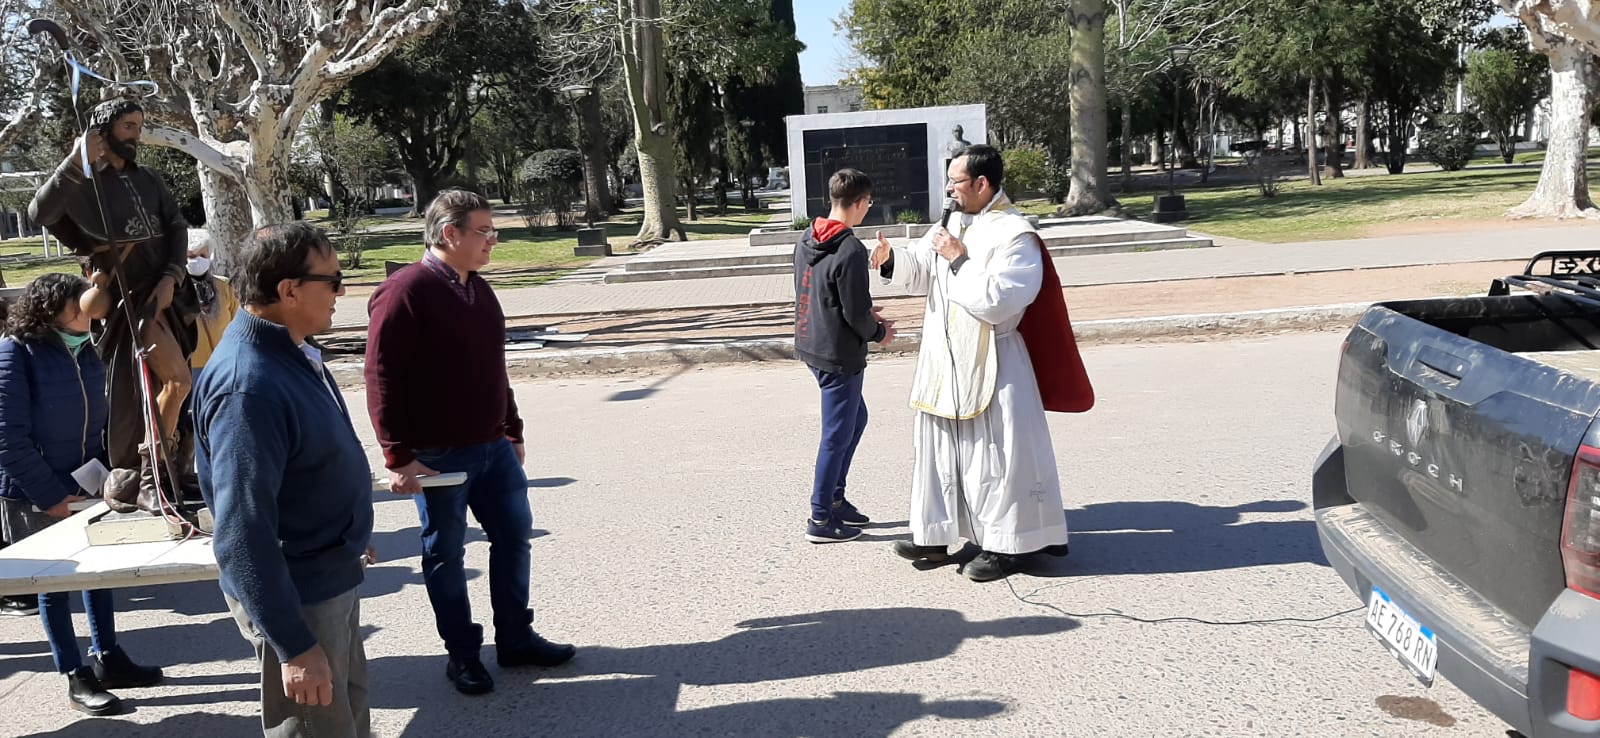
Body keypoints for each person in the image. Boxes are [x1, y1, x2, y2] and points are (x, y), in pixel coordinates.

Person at [365, 189, 574, 696]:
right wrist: (398, 456)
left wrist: (512, 427)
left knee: (514, 539)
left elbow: (493, 366)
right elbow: (380, 378)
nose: (493, 241)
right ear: (449, 233)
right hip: (438, 455)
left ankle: (515, 639)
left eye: (492, 231)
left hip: (493, 447)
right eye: (484, 231)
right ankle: (462, 654)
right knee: (446, 554)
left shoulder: (478, 289)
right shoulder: (404, 291)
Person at [869, 144, 1094, 582]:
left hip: (994, 359)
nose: (949, 190)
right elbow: (924, 268)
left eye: (955, 182)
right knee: (939, 451)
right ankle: (934, 534)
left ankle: (1006, 545)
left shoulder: (1015, 235)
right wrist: (893, 259)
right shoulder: (953, 221)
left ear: (982, 183)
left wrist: (960, 259)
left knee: (995, 458)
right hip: (944, 360)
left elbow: (999, 301)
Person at [193, 222, 374, 737]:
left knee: (346, 719)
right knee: (319, 728)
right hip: (299, 597)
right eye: (332, 280)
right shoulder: (248, 385)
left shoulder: (288, 350)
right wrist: (293, 645)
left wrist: (350, 528)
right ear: (289, 290)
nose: (342, 292)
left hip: (328, 575)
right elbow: (241, 533)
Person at [0, 273, 164, 715]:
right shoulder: (15, 352)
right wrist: (50, 495)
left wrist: (106, 477)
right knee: (53, 585)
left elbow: (98, 421)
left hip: (83, 485)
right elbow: (7, 438)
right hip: (35, 492)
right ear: (50, 309)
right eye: (79, 303)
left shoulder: (86, 349)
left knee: (98, 573)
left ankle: (108, 656)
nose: (89, 310)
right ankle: (75, 674)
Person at [28, 98, 197, 513]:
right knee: (169, 384)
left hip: (164, 296)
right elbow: (39, 212)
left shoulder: (148, 178)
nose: (136, 134)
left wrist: (172, 276)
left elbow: (176, 227)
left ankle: (170, 469)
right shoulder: (81, 182)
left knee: (163, 388)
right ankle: (149, 472)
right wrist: (75, 160)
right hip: (125, 300)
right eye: (128, 126)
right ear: (102, 132)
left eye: (138, 125)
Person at [793, 168, 896, 544]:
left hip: (812, 342)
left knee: (855, 420)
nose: (868, 208)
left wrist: (863, 314)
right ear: (860, 202)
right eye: (868, 202)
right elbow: (854, 314)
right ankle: (820, 517)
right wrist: (880, 332)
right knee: (836, 435)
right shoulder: (851, 249)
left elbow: (816, 291)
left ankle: (835, 499)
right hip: (838, 354)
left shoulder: (807, 237)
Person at [185, 230, 241, 378]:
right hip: (190, 368)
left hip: (225, 364)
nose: (197, 260)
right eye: (191, 256)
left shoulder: (225, 286)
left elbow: (238, 325)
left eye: (202, 256)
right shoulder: (175, 291)